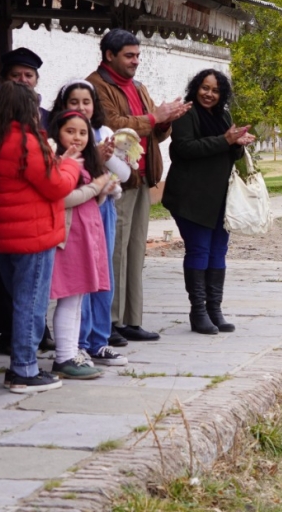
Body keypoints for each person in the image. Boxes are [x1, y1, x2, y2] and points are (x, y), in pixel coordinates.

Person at [88, 28, 191, 343]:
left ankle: (132, 319)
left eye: (137, 56)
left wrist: (165, 119)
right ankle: (111, 320)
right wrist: (152, 116)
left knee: (135, 251)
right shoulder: (96, 85)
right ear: (109, 55)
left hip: (144, 177)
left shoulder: (139, 86)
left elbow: (154, 134)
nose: (135, 61)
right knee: (115, 249)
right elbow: (112, 125)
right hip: (117, 179)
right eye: (129, 56)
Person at [0, 82, 81, 393]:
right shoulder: (27, 143)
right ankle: (24, 369)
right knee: (32, 304)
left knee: (18, 301)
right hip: (33, 234)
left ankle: (20, 364)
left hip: (7, 234)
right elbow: (57, 186)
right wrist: (69, 164)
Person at [161, 69, 255, 333]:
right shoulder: (185, 113)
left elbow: (228, 153)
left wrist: (237, 143)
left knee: (218, 252)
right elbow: (185, 148)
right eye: (205, 87)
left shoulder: (223, 115)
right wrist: (225, 140)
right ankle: (198, 312)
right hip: (191, 198)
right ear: (196, 87)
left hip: (219, 199)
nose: (209, 94)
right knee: (199, 251)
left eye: (215, 90)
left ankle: (215, 309)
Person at [0, 47, 56, 354]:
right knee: (19, 284)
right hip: (16, 209)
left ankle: (38, 332)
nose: (23, 80)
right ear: (4, 81)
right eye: (16, 75)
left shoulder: (47, 114)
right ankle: (14, 339)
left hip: (34, 211)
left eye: (29, 75)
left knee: (34, 284)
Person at [52, 81, 131, 366]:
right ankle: (79, 343)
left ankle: (100, 339)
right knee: (80, 278)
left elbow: (123, 173)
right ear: (64, 106)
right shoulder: (61, 140)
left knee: (102, 274)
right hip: (78, 211)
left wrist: (105, 159)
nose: (82, 107)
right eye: (74, 102)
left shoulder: (106, 133)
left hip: (102, 207)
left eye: (87, 102)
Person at [46, 108, 116, 380]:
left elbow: (90, 197)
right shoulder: (60, 162)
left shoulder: (86, 162)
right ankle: (63, 355)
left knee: (78, 298)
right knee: (70, 296)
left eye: (83, 132)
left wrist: (102, 190)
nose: (77, 137)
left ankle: (72, 351)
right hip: (70, 238)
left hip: (87, 235)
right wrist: (96, 188)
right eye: (70, 131)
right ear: (58, 133)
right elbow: (62, 198)